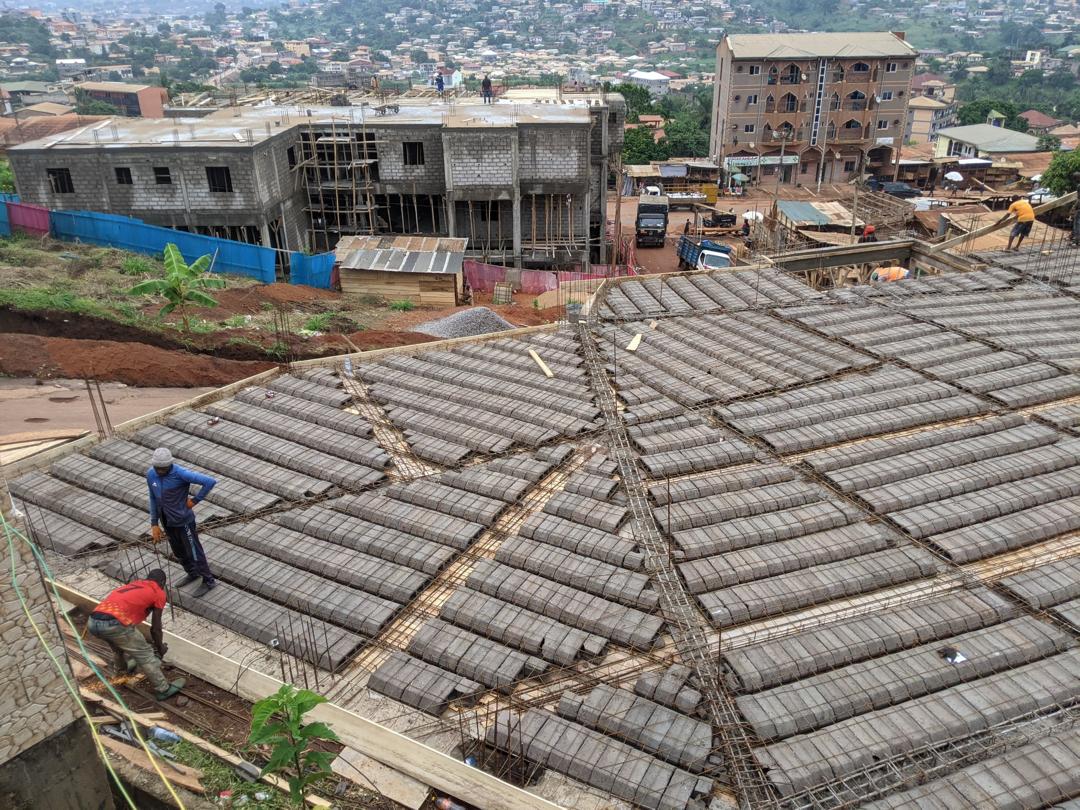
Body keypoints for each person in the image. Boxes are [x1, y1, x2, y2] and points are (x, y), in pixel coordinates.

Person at [88, 569, 185, 700]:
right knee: (146, 655)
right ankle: (163, 689)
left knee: (118, 648)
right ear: (162, 583)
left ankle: (121, 673)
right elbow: (156, 628)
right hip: (114, 624)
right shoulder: (158, 592)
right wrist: (160, 647)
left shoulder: (135, 584)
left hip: (93, 621)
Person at [147, 447, 217, 597]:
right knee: (178, 550)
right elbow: (153, 498)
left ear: (170, 464)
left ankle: (208, 580)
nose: (160, 471)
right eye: (158, 468)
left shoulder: (180, 473)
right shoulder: (151, 474)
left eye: (164, 468)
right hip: (166, 520)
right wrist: (154, 523)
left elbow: (209, 482)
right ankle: (192, 573)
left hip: (184, 521)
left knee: (194, 551)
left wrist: (194, 501)